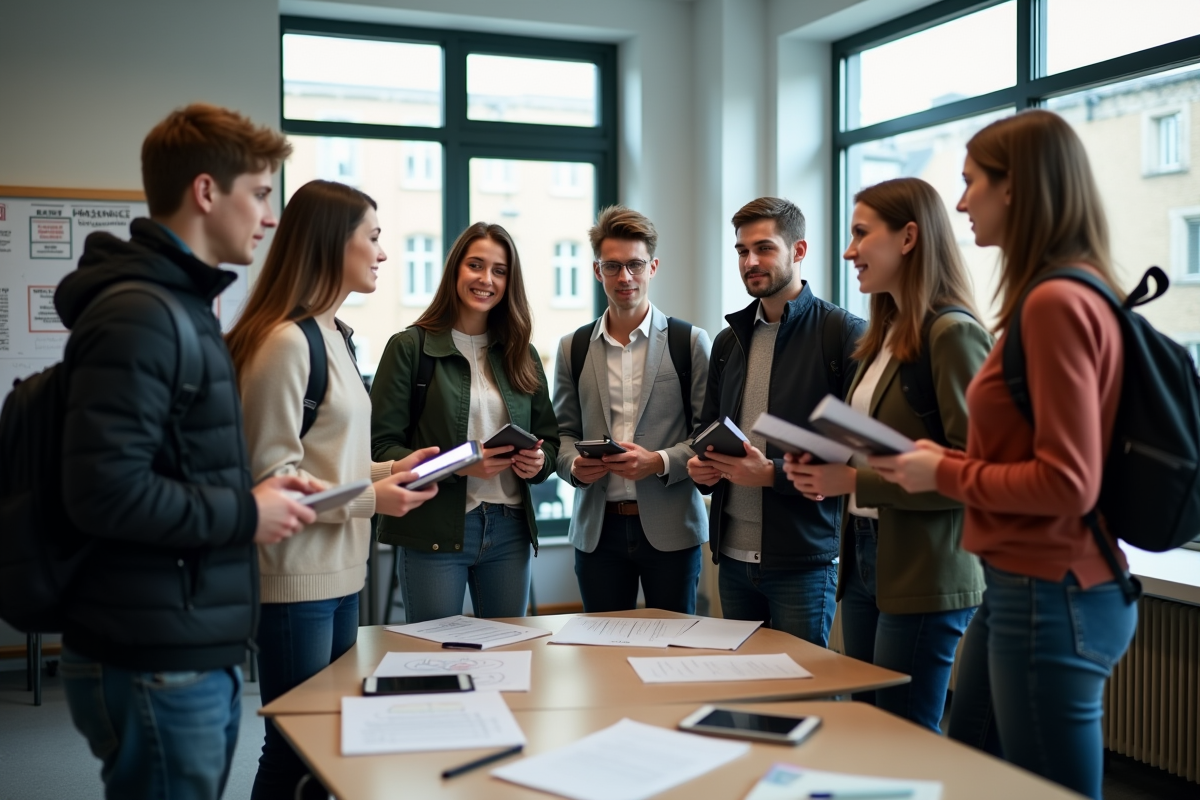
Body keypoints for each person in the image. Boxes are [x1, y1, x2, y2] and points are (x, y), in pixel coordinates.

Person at [869, 109, 1137, 800]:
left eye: (970, 183)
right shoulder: (1069, 291)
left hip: (1053, 587)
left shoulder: (1053, 302)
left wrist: (941, 469)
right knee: (981, 771)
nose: (959, 202)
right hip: (1026, 583)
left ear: (1013, 188)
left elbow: (1069, 482)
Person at [54, 104, 317, 800]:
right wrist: (246, 513)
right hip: (154, 651)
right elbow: (104, 491)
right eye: (260, 194)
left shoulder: (180, 306)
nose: (269, 217)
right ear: (206, 192)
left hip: (180, 637)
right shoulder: (141, 314)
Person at [225, 180, 440, 800]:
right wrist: (377, 499)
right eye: (372, 237)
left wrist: (388, 472)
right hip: (297, 581)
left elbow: (328, 456)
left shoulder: (334, 335)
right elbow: (275, 481)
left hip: (342, 576)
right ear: (330, 243)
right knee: (295, 745)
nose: (382, 253)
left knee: (329, 746)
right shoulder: (283, 342)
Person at [782, 177, 990, 732]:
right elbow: (877, 447)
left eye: (860, 234)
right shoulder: (883, 334)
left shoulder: (951, 334)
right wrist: (824, 464)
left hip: (926, 563)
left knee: (904, 733)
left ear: (908, 238)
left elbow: (975, 473)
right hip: (866, 555)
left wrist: (854, 483)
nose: (849, 250)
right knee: (870, 726)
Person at [686, 197, 865, 646]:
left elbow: (857, 453)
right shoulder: (729, 341)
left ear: (798, 251)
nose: (750, 262)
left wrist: (774, 475)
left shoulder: (841, 334)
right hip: (731, 559)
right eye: (742, 251)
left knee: (804, 696)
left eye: (764, 248)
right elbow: (706, 427)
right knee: (746, 697)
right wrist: (700, 467)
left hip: (802, 559)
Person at [371, 222, 560, 622]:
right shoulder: (409, 348)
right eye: (475, 265)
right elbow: (380, 450)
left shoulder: (520, 354)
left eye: (499, 270)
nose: (486, 279)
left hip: (510, 530)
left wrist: (540, 464)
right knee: (436, 660)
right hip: (435, 529)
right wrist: (460, 465)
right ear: (456, 269)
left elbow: (550, 441)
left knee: (509, 657)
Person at [552, 205, 712, 613]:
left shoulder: (689, 342)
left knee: (675, 651)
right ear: (597, 270)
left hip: (672, 527)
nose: (625, 277)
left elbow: (708, 437)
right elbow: (562, 434)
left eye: (635, 265)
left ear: (653, 266)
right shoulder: (572, 347)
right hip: (597, 530)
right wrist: (572, 465)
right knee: (602, 656)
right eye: (613, 266)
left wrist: (658, 461)